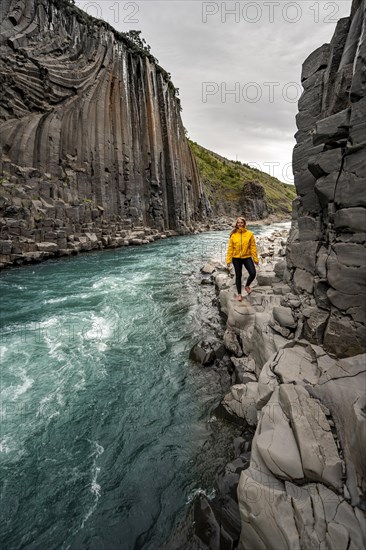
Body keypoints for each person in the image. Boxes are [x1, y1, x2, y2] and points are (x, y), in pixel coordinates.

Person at [226, 217, 259, 301]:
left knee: (253, 273)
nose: (240, 224)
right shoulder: (233, 235)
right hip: (236, 258)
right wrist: (228, 260)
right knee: (238, 276)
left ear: (244, 223)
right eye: (238, 223)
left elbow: (253, 247)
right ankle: (239, 294)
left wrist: (255, 259)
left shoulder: (249, 234)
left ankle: (247, 286)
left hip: (247, 257)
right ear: (236, 224)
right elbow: (230, 248)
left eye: (241, 222)